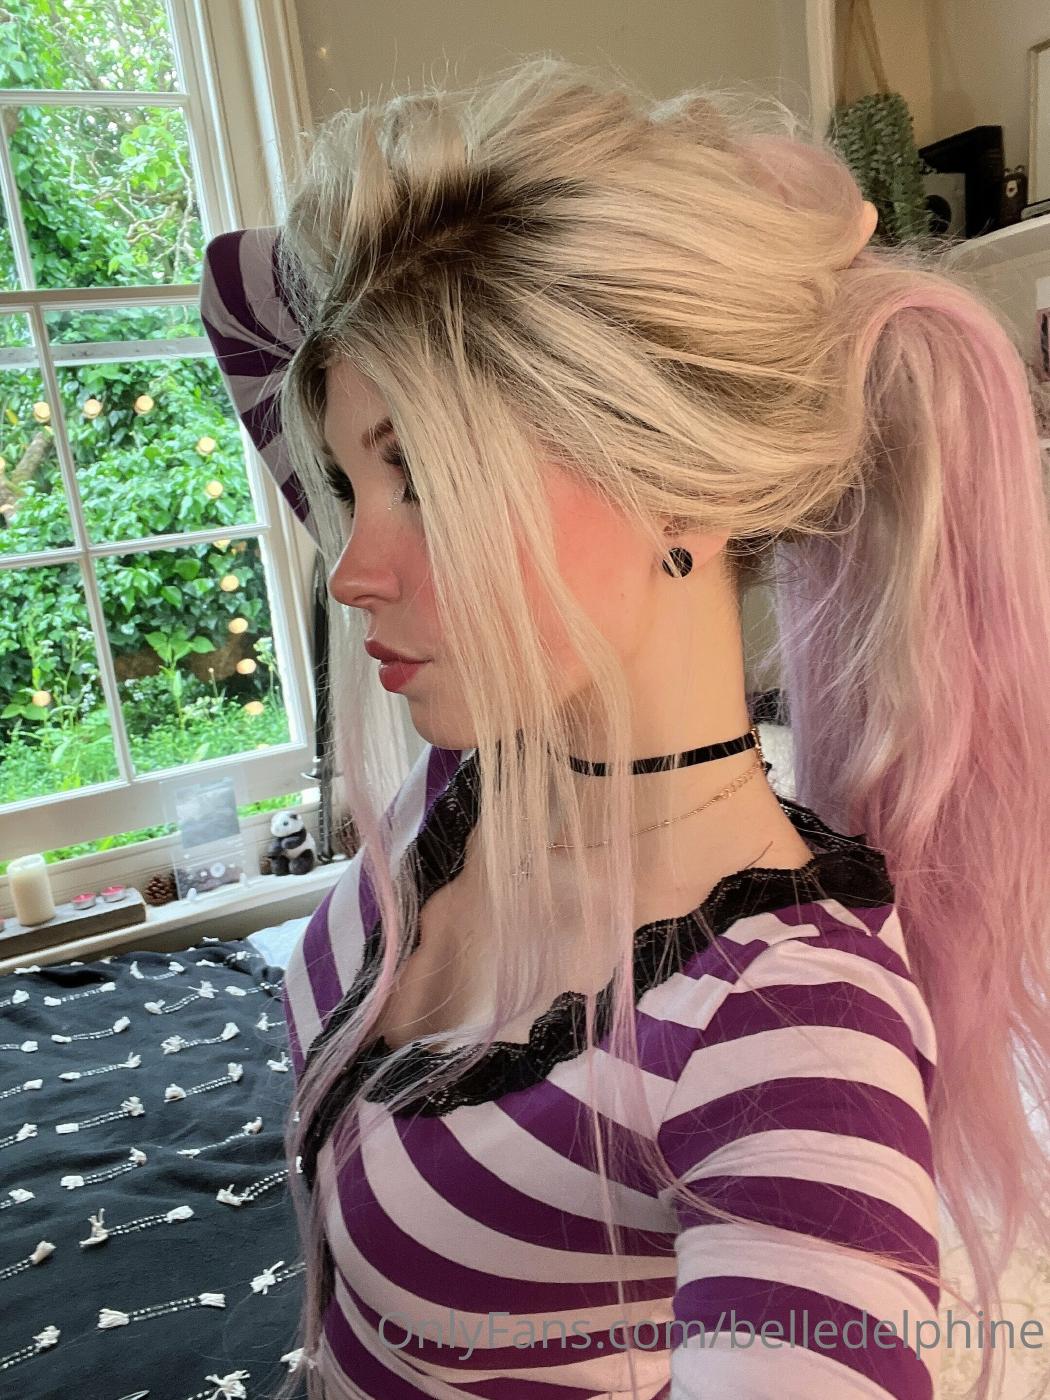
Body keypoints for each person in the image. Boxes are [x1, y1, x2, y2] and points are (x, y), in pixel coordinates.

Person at [199, 56, 1050, 1400]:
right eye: (352, 484)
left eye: (424, 479)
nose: (350, 571)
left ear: (673, 483)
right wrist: (766, 242)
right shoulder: (484, 765)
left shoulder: (783, 1032)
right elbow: (242, 290)